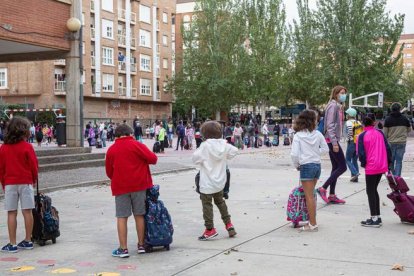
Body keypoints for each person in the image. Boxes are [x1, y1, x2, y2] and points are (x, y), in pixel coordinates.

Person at [105, 124, 158, 258]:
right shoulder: (137, 145)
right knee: (139, 215)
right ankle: (141, 245)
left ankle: (123, 249)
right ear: (131, 134)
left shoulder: (111, 149)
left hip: (121, 187)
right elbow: (153, 159)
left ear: (116, 135)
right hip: (139, 186)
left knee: (122, 216)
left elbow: (109, 172)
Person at [192, 121, 238, 240]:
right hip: (220, 182)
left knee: (207, 205)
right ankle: (229, 224)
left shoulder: (205, 146)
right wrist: (225, 156)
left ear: (204, 134)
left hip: (207, 182)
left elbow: (195, 159)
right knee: (220, 202)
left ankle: (210, 229)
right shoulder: (224, 145)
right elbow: (234, 151)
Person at [0, 117, 38, 252]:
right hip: (26, 181)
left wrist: (4, 183)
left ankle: (12, 243)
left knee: (11, 213)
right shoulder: (28, 147)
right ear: (24, 131)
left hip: (10, 182)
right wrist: (33, 180)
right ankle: (28, 240)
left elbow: (1, 168)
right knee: (27, 211)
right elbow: (34, 166)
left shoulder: (3, 148)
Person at [291, 110, 329, 232]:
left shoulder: (298, 136)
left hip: (306, 166)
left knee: (309, 197)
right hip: (317, 165)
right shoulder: (318, 134)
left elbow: (294, 154)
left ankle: (312, 224)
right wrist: (315, 153)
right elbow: (325, 149)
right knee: (311, 195)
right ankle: (311, 221)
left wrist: (297, 165)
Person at [357, 116, 392, 227]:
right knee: (374, 190)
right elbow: (388, 148)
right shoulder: (380, 133)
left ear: (363, 123)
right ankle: (377, 216)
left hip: (371, 166)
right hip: (382, 165)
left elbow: (361, 153)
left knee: (370, 191)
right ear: (374, 122)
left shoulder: (362, 136)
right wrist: (388, 163)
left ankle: (375, 218)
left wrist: (364, 164)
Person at [317, 85, 348, 204]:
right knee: (343, 167)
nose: (343, 95)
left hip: (333, 140)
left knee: (336, 167)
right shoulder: (333, 106)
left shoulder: (338, 106)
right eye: (341, 93)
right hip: (331, 141)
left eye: (344, 93)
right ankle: (323, 188)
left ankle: (332, 194)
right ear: (335, 94)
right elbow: (329, 125)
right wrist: (334, 143)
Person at [383, 102, 411, 176]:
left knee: (391, 161)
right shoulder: (405, 119)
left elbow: (385, 133)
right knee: (399, 161)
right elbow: (409, 130)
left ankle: (392, 176)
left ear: (391, 109)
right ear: (400, 109)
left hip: (391, 143)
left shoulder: (388, 119)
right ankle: (397, 177)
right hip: (402, 142)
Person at [345, 108, 361, 182]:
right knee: (354, 160)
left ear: (349, 115)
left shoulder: (348, 122)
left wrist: (348, 139)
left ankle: (355, 173)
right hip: (358, 143)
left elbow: (350, 133)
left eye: (347, 114)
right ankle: (355, 178)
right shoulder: (358, 122)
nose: (346, 115)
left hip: (351, 142)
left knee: (347, 159)